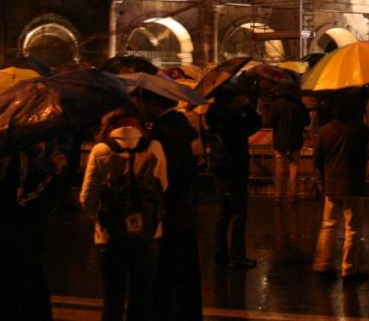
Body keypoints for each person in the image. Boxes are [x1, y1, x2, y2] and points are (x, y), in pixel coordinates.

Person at [80, 109, 167, 321]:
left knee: (113, 298)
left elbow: (87, 197)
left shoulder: (101, 149)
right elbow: (162, 186)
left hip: (109, 235)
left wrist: (99, 219)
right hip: (149, 232)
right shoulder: (154, 147)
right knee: (143, 296)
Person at [0, 140, 67, 320]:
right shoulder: (17, 158)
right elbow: (23, 200)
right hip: (13, 242)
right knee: (21, 300)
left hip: (12, 239)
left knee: (4, 299)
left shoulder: (30, 156)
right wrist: (54, 175)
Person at [135, 88, 204, 320]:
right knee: (183, 271)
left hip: (169, 210)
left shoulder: (163, 133)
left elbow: (163, 178)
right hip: (183, 208)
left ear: (154, 102)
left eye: (142, 102)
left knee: (168, 270)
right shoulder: (180, 125)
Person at [312, 94, 369, 282]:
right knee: (352, 228)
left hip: (331, 184)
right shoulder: (362, 130)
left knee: (328, 225)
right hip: (354, 184)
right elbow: (368, 154)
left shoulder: (325, 130)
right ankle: (349, 268)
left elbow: (317, 159)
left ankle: (323, 264)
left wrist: (324, 175)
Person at [205, 83, 262, 268]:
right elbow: (254, 124)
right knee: (238, 214)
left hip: (219, 166)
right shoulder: (233, 116)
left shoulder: (212, 115)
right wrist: (246, 106)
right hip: (235, 167)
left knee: (223, 213)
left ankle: (219, 253)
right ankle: (237, 256)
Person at [264, 83, 310, 202]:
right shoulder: (299, 105)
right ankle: (293, 194)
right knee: (294, 166)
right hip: (295, 138)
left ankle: (278, 194)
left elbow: (269, 122)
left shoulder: (276, 104)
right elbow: (306, 121)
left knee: (279, 167)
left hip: (280, 139)